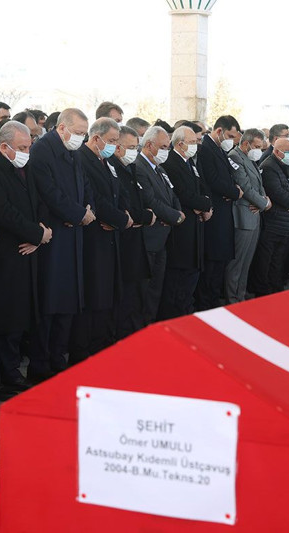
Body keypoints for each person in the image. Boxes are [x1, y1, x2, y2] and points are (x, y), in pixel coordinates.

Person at [0, 121, 49, 400]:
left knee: (17, 319)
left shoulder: (23, 166)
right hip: (1, 255)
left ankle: (11, 373)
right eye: (22, 147)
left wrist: (41, 232)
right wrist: (36, 234)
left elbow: (38, 202)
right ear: (4, 146)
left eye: (29, 146)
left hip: (26, 251)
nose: (27, 152)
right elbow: (2, 211)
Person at [28, 108, 94, 381]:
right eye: (78, 132)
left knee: (68, 302)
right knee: (50, 304)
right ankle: (40, 365)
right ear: (62, 127)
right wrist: (76, 214)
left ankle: (58, 359)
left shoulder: (72, 150)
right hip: (54, 236)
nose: (81, 138)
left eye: (84, 134)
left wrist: (86, 209)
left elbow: (85, 185)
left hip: (73, 234)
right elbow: (49, 192)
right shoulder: (42, 151)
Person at [71, 118, 130, 363]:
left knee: (108, 295)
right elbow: (94, 198)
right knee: (93, 296)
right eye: (112, 140)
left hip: (111, 235)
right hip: (94, 238)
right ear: (96, 138)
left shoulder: (107, 161)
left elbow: (120, 192)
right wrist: (119, 219)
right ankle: (85, 352)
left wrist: (124, 215)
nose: (115, 146)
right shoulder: (82, 159)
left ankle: (103, 345)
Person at [158, 125, 211, 319]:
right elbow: (182, 194)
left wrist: (207, 205)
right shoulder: (171, 163)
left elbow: (203, 187)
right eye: (192, 142)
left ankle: (186, 313)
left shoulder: (190, 162)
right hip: (181, 232)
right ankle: (175, 317)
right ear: (180, 144)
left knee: (190, 278)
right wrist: (202, 205)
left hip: (195, 227)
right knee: (177, 282)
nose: (196, 145)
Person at [134, 126, 184, 323]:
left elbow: (172, 195)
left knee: (156, 290)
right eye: (163, 147)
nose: (166, 151)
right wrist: (174, 216)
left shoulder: (159, 169)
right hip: (149, 238)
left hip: (162, 238)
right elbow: (150, 201)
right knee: (143, 292)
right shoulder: (139, 167)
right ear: (148, 145)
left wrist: (177, 212)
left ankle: (151, 326)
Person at [110, 126, 155, 338]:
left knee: (137, 296)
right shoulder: (114, 169)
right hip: (124, 243)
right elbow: (126, 208)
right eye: (130, 147)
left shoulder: (129, 167)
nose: (134, 152)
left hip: (136, 240)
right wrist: (145, 216)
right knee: (126, 299)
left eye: (136, 147)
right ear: (117, 147)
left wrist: (143, 215)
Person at [195, 115, 242, 311]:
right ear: (219, 131)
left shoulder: (220, 149)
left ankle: (213, 302)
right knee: (212, 263)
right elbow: (212, 180)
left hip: (224, 213)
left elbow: (228, 176)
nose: (231, 141)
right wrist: (234, 192)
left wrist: (233, 188)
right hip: (214, 215)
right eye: (229, 136)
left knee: (219, 263)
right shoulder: (205, 149)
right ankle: (206, 305)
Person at [249, 138, 289, 295]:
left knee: (278, 260)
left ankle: (275, 288)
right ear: (277, 151)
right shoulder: (268, 166)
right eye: (288, 151)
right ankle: (262, 291)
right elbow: (276, 192)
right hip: (273, 223)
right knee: (265, 260)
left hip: (288, 223)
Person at [226, 128, 270, 302]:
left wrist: (264, 199)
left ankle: (240, 295)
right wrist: (263, 203)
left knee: (246, 262)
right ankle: (232, 298)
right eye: (257, 146)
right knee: (237, 263)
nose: (259, 150)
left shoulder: (250, 158)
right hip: (243, 216)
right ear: (246, 143)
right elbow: (245, 186)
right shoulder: (235, 156)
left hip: (254, 214)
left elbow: (258, 183)